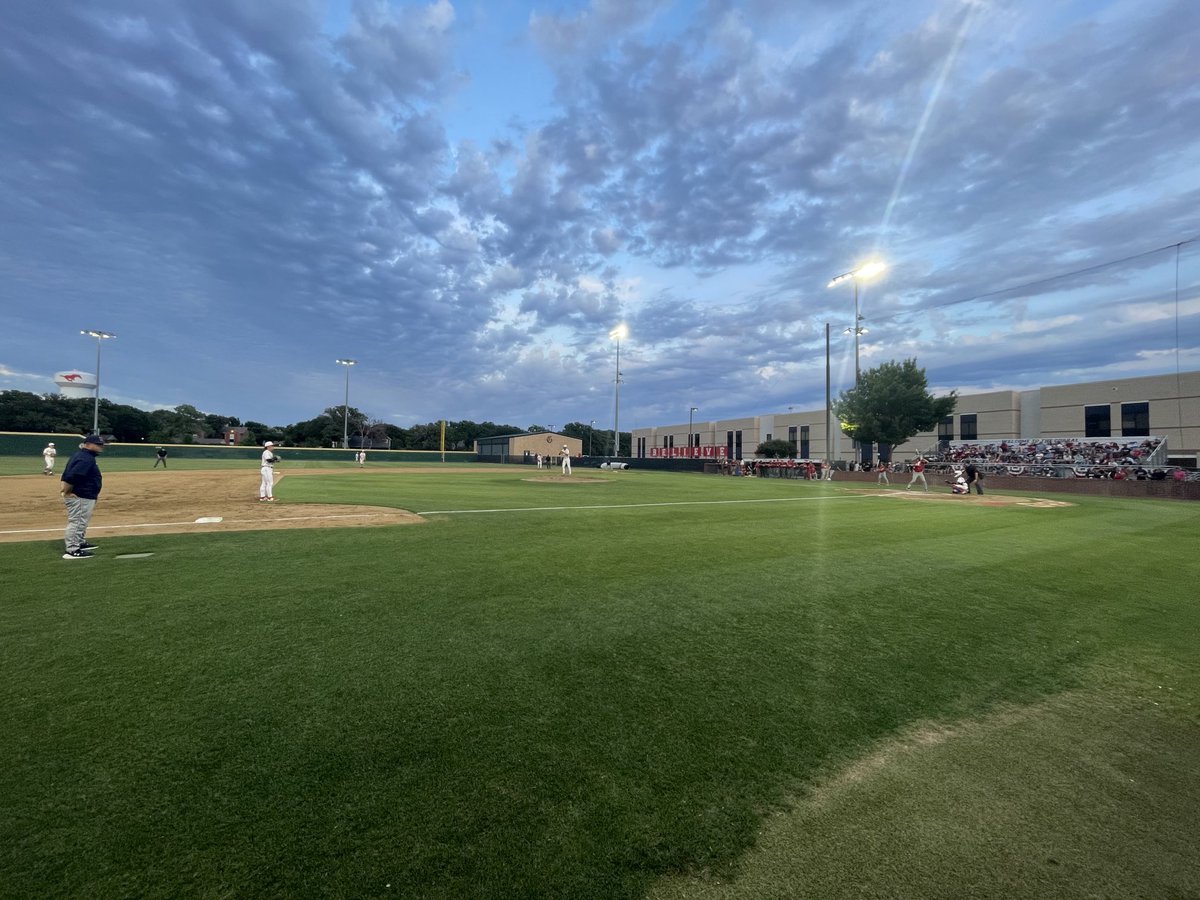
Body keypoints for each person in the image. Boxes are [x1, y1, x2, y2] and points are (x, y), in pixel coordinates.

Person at [60, 434, 105, 559]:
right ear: (88, 445)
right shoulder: (86, 458)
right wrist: (67, 492)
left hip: (86, 495)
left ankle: (79, 541)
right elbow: (71, 476)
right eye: (98, 444)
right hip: (81, 495)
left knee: (82, 520)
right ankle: (72, 550)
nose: (101, 447)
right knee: (78, 521)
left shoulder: (84, 456)